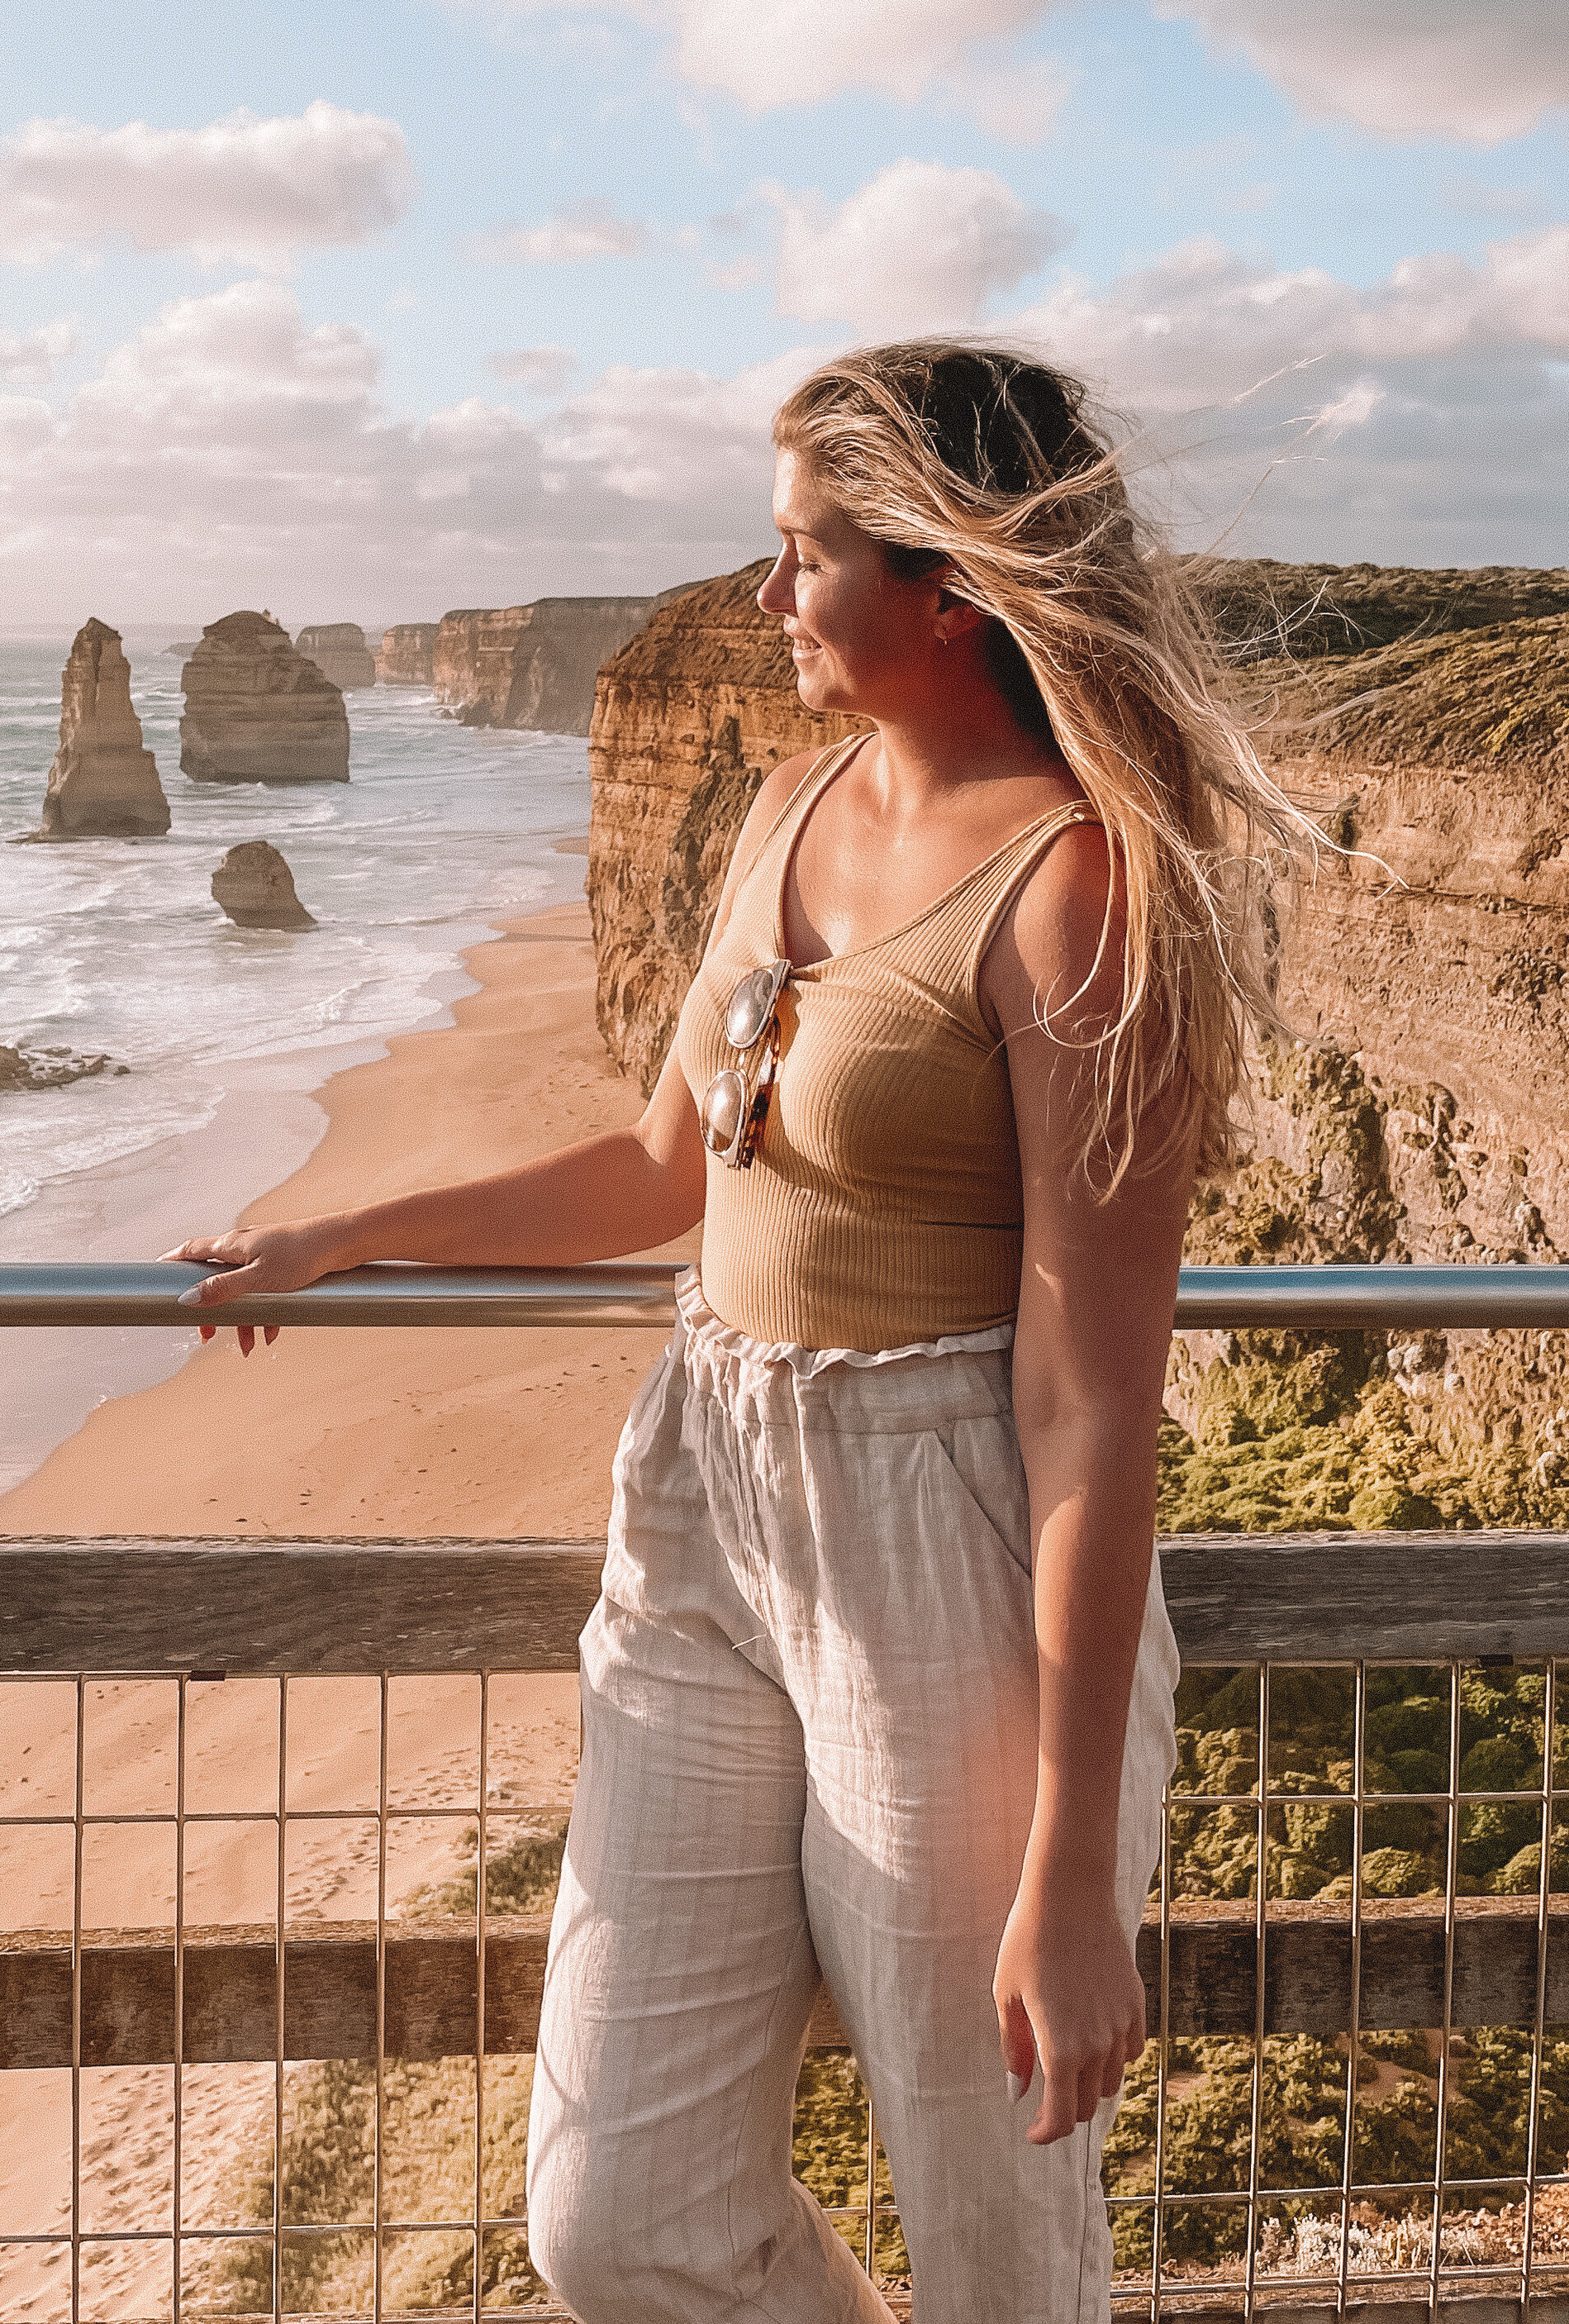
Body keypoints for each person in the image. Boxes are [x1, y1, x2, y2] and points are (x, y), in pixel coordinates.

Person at [168, 342, 1302, 2324]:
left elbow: (1089, 1399)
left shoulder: (1079, 891)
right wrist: (355, 1231)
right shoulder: (788, 799)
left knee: (994, 2230)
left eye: (802, 553)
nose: (766, 594)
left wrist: (1063, 1869)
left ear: (947, 581)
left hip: (941, 1533)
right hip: (706, 1492)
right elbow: (656, 1166)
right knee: (615, 2215)